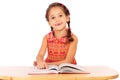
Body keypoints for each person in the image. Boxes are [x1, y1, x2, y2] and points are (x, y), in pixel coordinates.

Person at [34, 2, 78, 69]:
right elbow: (40, 55)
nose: (57, 20)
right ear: (49, 23)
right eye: (53, 17)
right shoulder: (46, 38)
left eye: (60, 16)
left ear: (67, 18)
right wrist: (40, 62)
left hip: (67, 70)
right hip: (50, 70)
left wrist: (47, 64)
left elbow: (68, 61)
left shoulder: (73, 38)